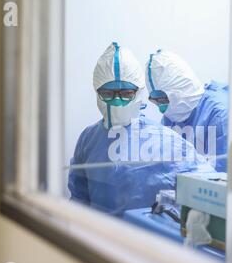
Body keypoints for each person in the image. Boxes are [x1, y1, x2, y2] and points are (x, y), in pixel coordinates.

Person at [68, 43, 214, 217]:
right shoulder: (88, 139)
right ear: (97, 91)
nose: (117, 102)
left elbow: (208, 189)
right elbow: (78, 200)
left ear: (139, 92)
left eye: (126, 93)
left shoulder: (166, 141)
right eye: (107, 93)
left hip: (146, 239)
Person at [146, 50, 229, 172]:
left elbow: (221, 177)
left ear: (182, 89)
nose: (161, 109)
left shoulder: (219, 115)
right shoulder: (171, 114)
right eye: (156, 101)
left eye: (164, 99)